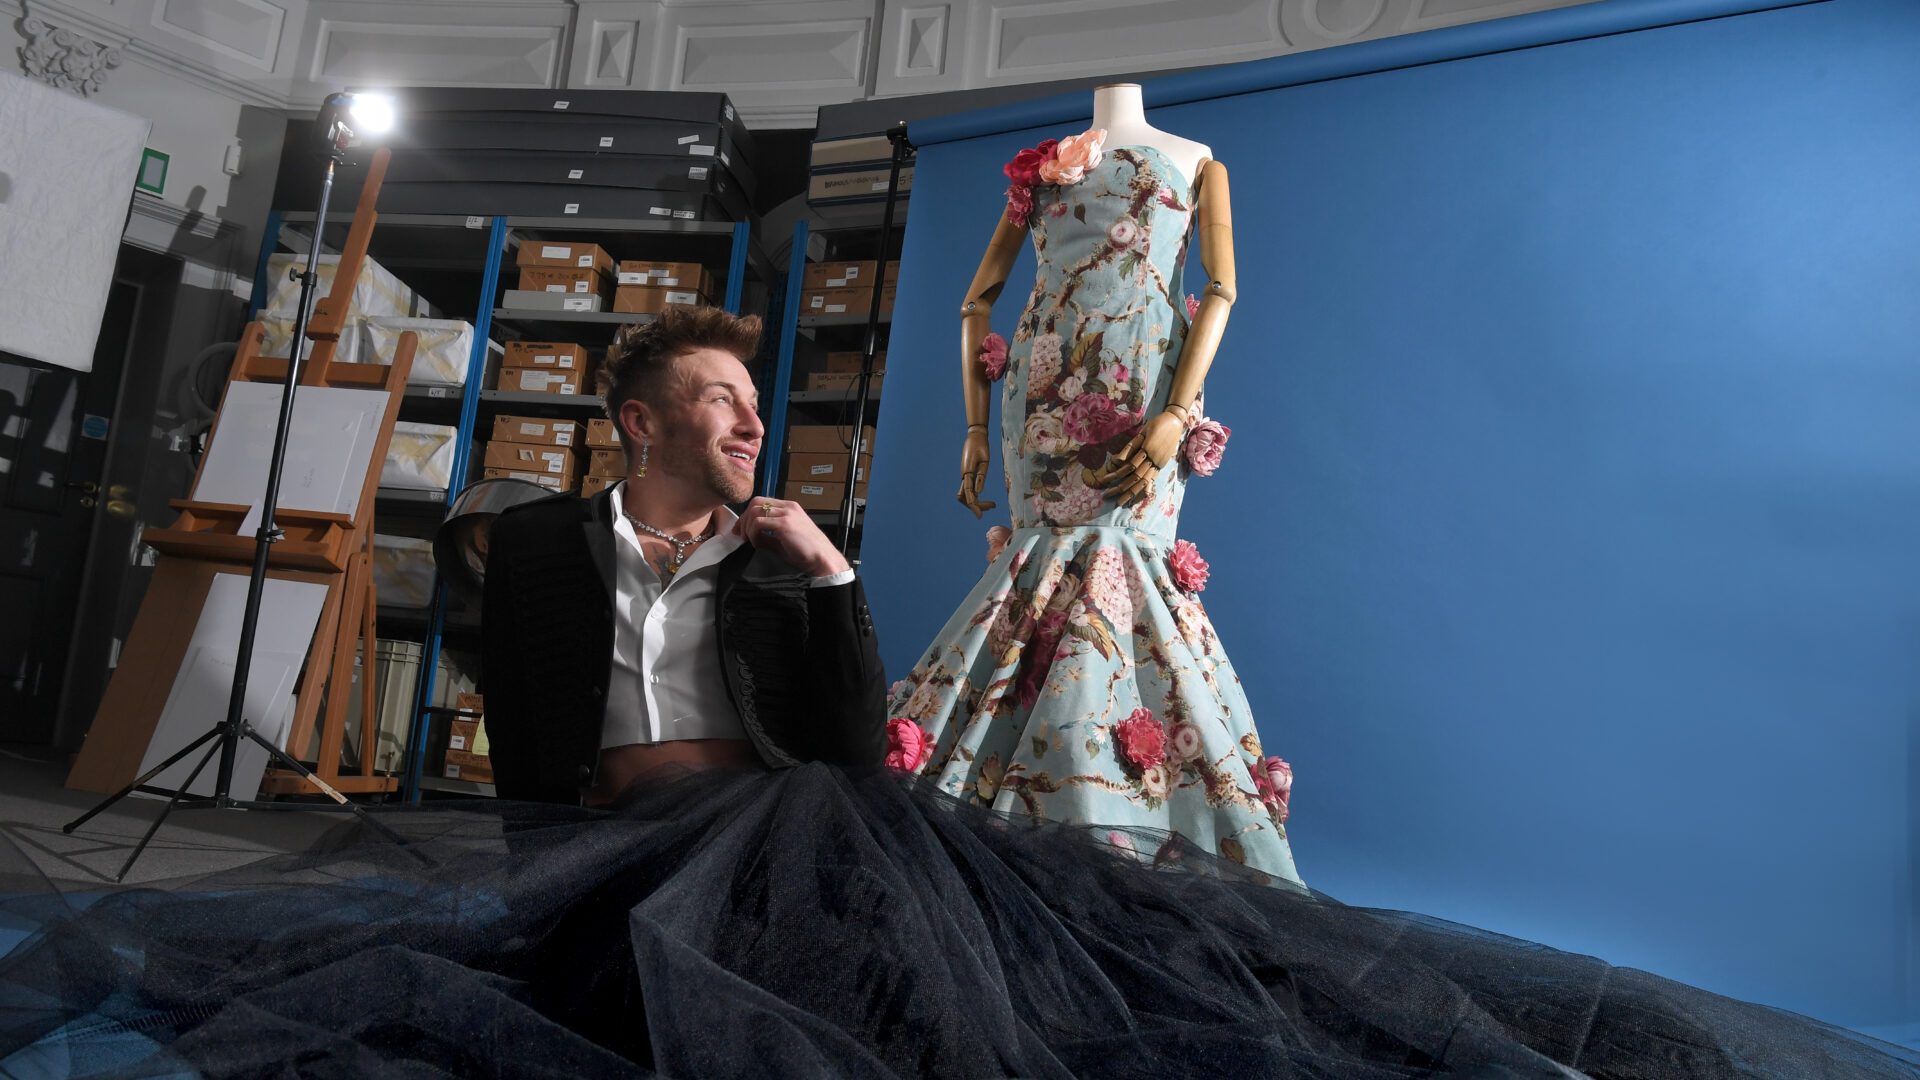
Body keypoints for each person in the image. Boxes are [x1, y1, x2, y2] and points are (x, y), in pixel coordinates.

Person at [886, 85, 1303, 884]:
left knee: (1126, 557)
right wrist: (977, 428)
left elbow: (1222, 287)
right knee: (1041, 558)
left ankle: (1128, 802)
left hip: (1143, 378)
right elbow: (978, 297)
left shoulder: (1197, 161)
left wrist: (1178, 413)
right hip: (1040, 382)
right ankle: (1033, 789)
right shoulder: (1042, 169)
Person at [480, 306, 888, 805]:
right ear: (641, 422)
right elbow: (510, 720)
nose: (755, 426)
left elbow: (859, 754)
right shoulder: (534, 540)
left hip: (751, 847)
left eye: (754, 405)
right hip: (591, 850)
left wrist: (834, 571)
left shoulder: (785, 561)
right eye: (722, 399)